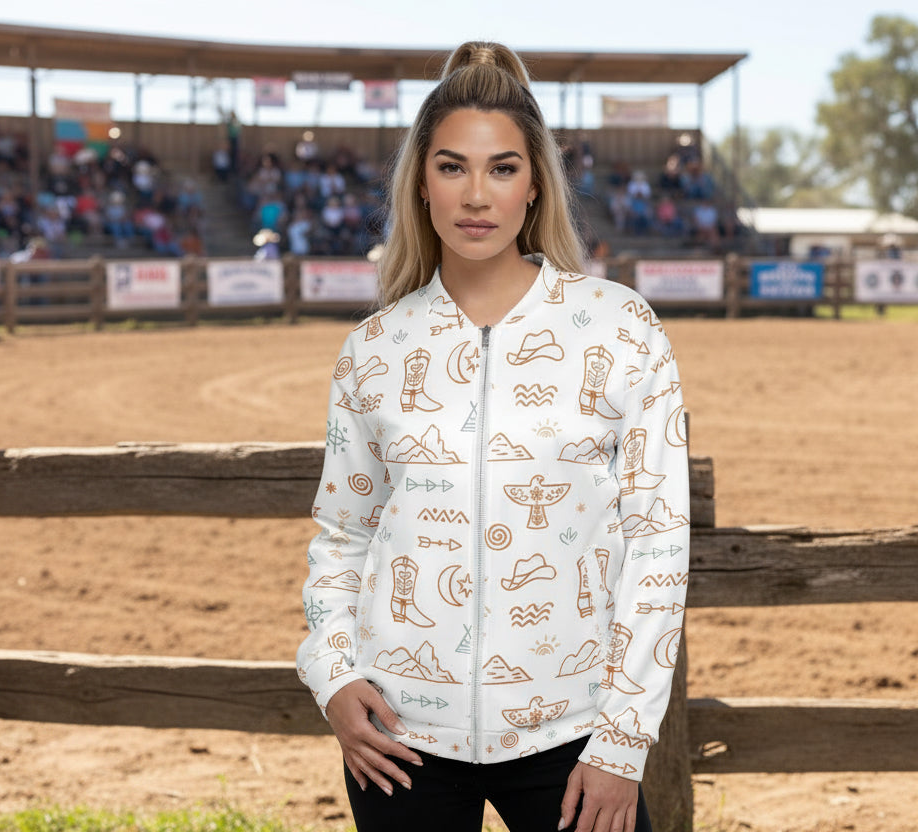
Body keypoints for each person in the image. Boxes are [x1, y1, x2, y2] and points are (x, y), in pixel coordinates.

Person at [297, 41, 689, 832]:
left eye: (502, 168)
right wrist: (334, 677)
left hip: (574, 738)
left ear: (534, 185)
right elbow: (343, 534)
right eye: (452, 167)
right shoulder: (374, 350)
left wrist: (621, 740)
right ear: (421, 181)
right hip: (398, 736)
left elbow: (659, 541)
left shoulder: (619, 328)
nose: (477, 195)